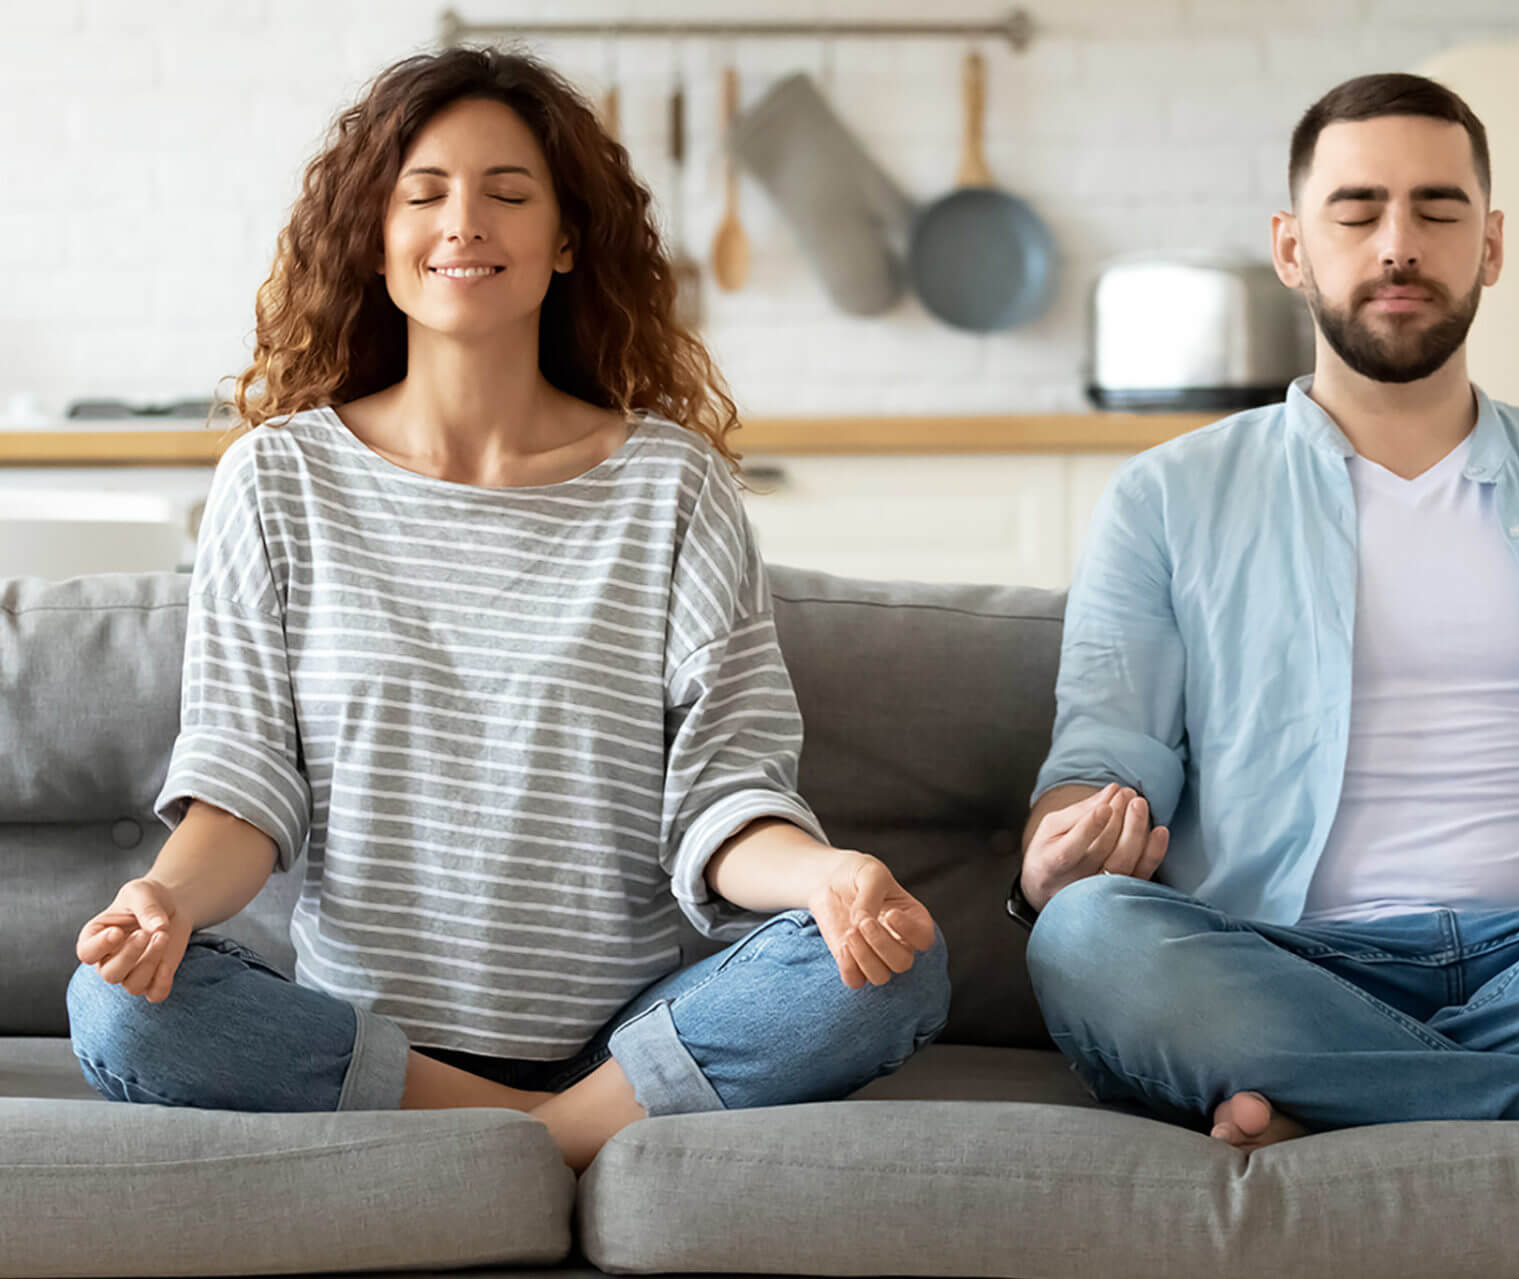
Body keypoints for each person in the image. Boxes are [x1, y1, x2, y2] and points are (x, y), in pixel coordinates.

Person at [65, 46, 948, 1174]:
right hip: (365, 1033)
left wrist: (826, 878)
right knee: (120, 1005)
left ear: (566, 240)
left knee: (898, 962)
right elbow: (242, 788)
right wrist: (162, 899)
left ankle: (519, 1134)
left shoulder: (672, 485)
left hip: (629, 1028)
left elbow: (726, 795)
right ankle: (557, 1139)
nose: (463, 223)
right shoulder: (277, 478)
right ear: (374, 239)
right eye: (422, 194)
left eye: (509, 194)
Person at [1011, 72, 1519, 1153]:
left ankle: (1338, 1090)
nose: (1397, 243)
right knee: (1087, 936)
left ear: (1491, 246)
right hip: (1284, 954)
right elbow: (1105, 753)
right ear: (1291, 247)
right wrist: (1056, 855)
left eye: (1438, 210)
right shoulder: (1164, 499)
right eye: (1357, 211)